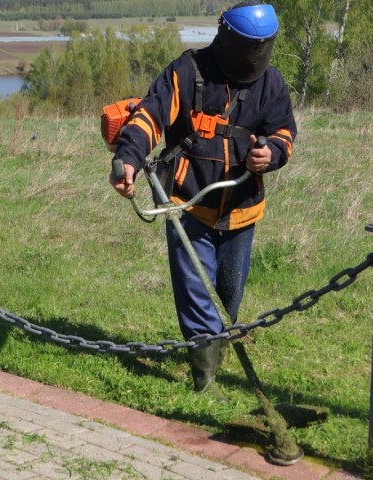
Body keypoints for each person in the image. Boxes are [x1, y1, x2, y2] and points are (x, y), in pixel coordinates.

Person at [109, 2, 296, 399]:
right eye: (246, 47)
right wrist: (127, 158)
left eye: (258, 49)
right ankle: (206, 383)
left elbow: (284, 132)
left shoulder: (272, 84)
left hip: (242, 210)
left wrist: (272, 153)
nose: (252, 58)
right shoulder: (187, 71)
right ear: (227, 36)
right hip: (187, 205)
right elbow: (148, 116)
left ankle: (215, 350)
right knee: (196, 292)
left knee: (229, 295)